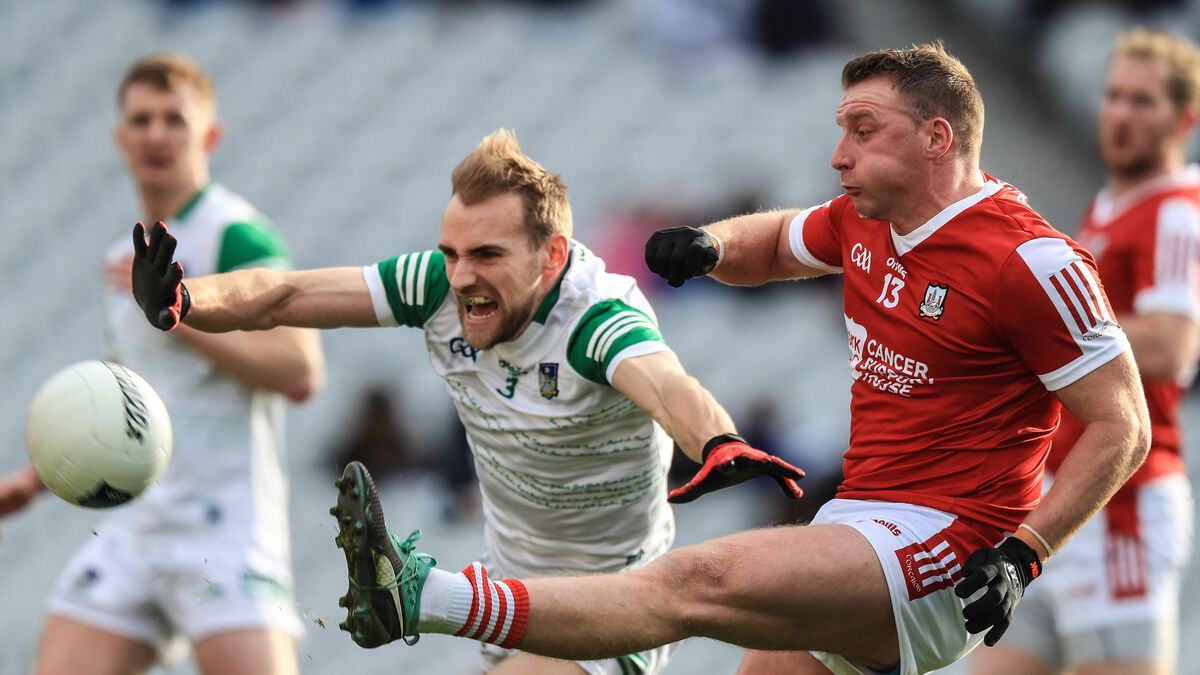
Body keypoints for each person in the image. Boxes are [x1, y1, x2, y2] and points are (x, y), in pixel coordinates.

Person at [136, 43, 1151, 675]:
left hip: (943, 543)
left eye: (861, 130)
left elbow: (1123, 425)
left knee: (695, 580)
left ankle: (424, 595)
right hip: (858, 523)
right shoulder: (865, 220)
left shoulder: (1030, 262)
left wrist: (1024, 553)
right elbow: (776, 241)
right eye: (838, 129)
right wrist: (709, 245)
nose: (839, 153)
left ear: (936, 137)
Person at [128, 128, 805, 675]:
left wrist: (718, 441)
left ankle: (418, 595)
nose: (461, 276)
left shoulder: (596, 318)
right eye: (451, 252)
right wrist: (186, 300)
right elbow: (285, 295)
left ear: (551, 256)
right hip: (507, 592)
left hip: (610, 602)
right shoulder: (435, 286)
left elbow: (666, 384)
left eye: (486, 254)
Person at [0, 52, 325, 675]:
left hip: (224, 530)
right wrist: (32, 480)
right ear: (119, 139)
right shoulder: (122, 256)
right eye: (141, 119)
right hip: (134, 524)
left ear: (210, 136)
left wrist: (177, 314)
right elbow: (133, 381)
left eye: (174, 119)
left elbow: (299, 370)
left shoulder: (236, 235)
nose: (156, 134)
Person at [970, 27, 1200, 675]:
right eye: (1113, 95)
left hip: (1122, 500)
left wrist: (1045, 332)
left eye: (1142, 101)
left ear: (1184, 120)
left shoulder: (1176, 211)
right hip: (1057, 497)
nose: (1121, 113)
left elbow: (1173, 343)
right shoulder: (1110, 207)